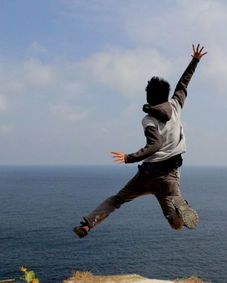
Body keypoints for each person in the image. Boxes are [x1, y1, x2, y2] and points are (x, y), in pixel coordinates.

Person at [73, 44, 207, 238]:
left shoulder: (148, 119)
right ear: (166, 94)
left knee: (118, 199)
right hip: (169, 176)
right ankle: (179, 209)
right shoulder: (175, 105)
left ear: (148, 97)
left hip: (147, 175)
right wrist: (195, 61)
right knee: (172, 214)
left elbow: (155, 145)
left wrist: (129, 157)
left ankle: (87, 225)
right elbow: (183, 85)